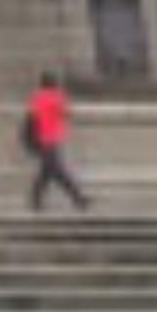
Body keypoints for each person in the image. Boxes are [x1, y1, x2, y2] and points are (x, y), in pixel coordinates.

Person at [23, 70, 92, 212]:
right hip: (51, 138)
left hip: (40, 139)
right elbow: (66, 113)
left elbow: (31, 117)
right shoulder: (57, 97)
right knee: (58, 171)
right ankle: (78, 198)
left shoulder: (37, 97)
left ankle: (36, 200)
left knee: (47, 171)